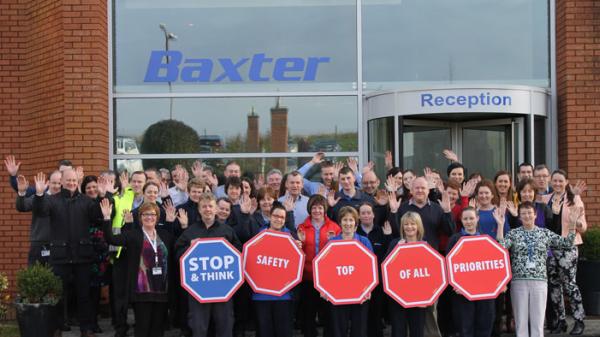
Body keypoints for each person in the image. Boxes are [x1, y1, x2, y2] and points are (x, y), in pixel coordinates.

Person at [32, 169, 103, 337]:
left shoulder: (86, 201)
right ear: (62, 182)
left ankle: (86, 329)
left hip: (82, 255)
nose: (71, 183)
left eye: (74, 180)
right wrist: (40, 194)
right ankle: (56, 328)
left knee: (84, 295)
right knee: (58, 296)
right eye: (68, 180)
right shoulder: (52, 200)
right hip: (60, 256)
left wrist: (101, 195)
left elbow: (98, 216)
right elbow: (40, 211)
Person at [494, 201, 581, 337]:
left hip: (540, 281)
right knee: (521, 322)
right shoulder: (513, 233)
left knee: (538, 322)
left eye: (529, 213)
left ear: (535, 215)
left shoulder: (544, 233)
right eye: (523, 213)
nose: (527, 216)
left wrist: (572, 224)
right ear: (520, 217)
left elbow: (567, 243)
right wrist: (500, 225)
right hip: (519, 281)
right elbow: (500, 248)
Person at [101, 200, 174, 337]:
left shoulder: (164, 235)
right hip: (141, 291)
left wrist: (179, 224)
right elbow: (111, 239)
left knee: (158, 329)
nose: (149, 217)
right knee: (142, 328)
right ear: (140, 217)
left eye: (152, 214)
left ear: (157, 217)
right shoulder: (133, 235)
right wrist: (106, 218)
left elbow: (177, 244)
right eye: (145, 214)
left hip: (162, 290)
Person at [175, 192, 242, 337]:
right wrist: (189, 248)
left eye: (210, 206)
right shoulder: (190, 232)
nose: (207, 209)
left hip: (223, 290)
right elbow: (177, 254)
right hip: (198, 290)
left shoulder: (227, 231)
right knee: (198, 328)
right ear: (199, 210)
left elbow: (239, 255)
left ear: (216, 209)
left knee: (225, 327)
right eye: (204, 206)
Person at [544, 170, 587, 335]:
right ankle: (560, 321)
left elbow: (583, 226)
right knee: (554, 285)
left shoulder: (574, 199)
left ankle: (579, 320)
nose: (557, 184)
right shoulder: (546, 199)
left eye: (560, 181)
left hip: (568, 247)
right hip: (550, 248)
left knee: (569, 284)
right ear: (550, 182)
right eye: (554, 181)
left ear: (566, 182)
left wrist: (575, 222)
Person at [247, 202, 299, 337]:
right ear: (270, 216)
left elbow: (296, 266)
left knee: (283, 332)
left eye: (282, 217)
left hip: (284, 295)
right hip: (261, 294)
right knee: (264, 332)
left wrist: (298, 249)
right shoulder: (259, 235)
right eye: (276, 216)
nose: (279, 219)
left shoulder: (291, 238)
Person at [297, 194, 341, 337]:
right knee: (309, 314)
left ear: (325, 209)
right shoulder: (302, 227)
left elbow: (340, 252)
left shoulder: (334, 227)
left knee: (329, 315)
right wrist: (299, 244)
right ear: (310, 209)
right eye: (314, 207)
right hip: (308, 277)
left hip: (328, 279)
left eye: (320, 208)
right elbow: (297, 253)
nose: (317, 211)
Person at [447, 207, 495, 337]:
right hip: (462, 292)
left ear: (477, 218)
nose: (469, 222)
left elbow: (495, 265)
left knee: (484, 327)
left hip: (484, 292)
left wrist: (498, 284)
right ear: (461, 220)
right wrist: (455, 284)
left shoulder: (487, 239)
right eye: (465, 219)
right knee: (465, 328)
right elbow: (449, 265)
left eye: (471, 218)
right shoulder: (454, 240)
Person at [329, 206, 373, 337]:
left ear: (356, 223)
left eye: (351, 220)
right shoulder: (332, 242)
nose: (348, 223)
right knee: (339, 330)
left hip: (360, 293)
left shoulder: (364, 241)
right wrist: (325, 289)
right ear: (340, 222)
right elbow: (327, 269)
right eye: (345, 220)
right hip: (337, 294)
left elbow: (370, 268)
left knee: (358, 330)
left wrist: (368, 289)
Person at [387, 212, 428, 337]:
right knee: (399, 331)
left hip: (419, 297)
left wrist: (428, 296)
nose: (409, 227)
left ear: (418, 226)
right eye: (406, 224)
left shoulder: (425, 245)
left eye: (413, 224)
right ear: (402, 227)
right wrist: (396, 252)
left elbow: (432, 272)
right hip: (398, 296)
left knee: (417, 330)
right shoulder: (395, 244)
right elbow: (386, 269)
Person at [356, 202, 392, 337]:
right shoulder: (354, 232)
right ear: (358, 216)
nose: (366, 215)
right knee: (361, 313)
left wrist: (388, 236)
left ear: (373, 215)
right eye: (363, 213)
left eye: (368, 212)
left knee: (376, 313)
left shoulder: (381, 231)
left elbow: (389, 255)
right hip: (359, 280)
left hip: (378, 280)